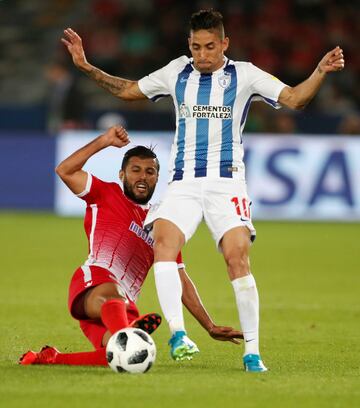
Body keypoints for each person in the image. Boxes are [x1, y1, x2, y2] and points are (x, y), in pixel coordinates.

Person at [61, 10, 345, 371]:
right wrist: (87, 68)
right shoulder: (176, 71)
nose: (202, 55)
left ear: (224, 44)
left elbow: (294, 99)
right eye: (196, 47)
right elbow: (129, 90)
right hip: (183, 182)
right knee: (164, 243)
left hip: (227, 183)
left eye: (210, 47)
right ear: (189, 46)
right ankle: (179, 335)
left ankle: (252, 352)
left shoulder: (245, 75)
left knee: (236, 257)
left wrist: (319, 72)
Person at [19, 125, 242, 366]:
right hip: (94, 281)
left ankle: (49, 359)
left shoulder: (162, 224)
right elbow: (65, 170)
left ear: (158, 178)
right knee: (119, 310)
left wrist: (209, 326)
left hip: (123, 305)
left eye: (150, 171)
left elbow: (180, 279)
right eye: (135, 170)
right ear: (122, 175)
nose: (142, 176)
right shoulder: (105, 193)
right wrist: (104, 141)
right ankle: (128, 329)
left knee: (118, 355)